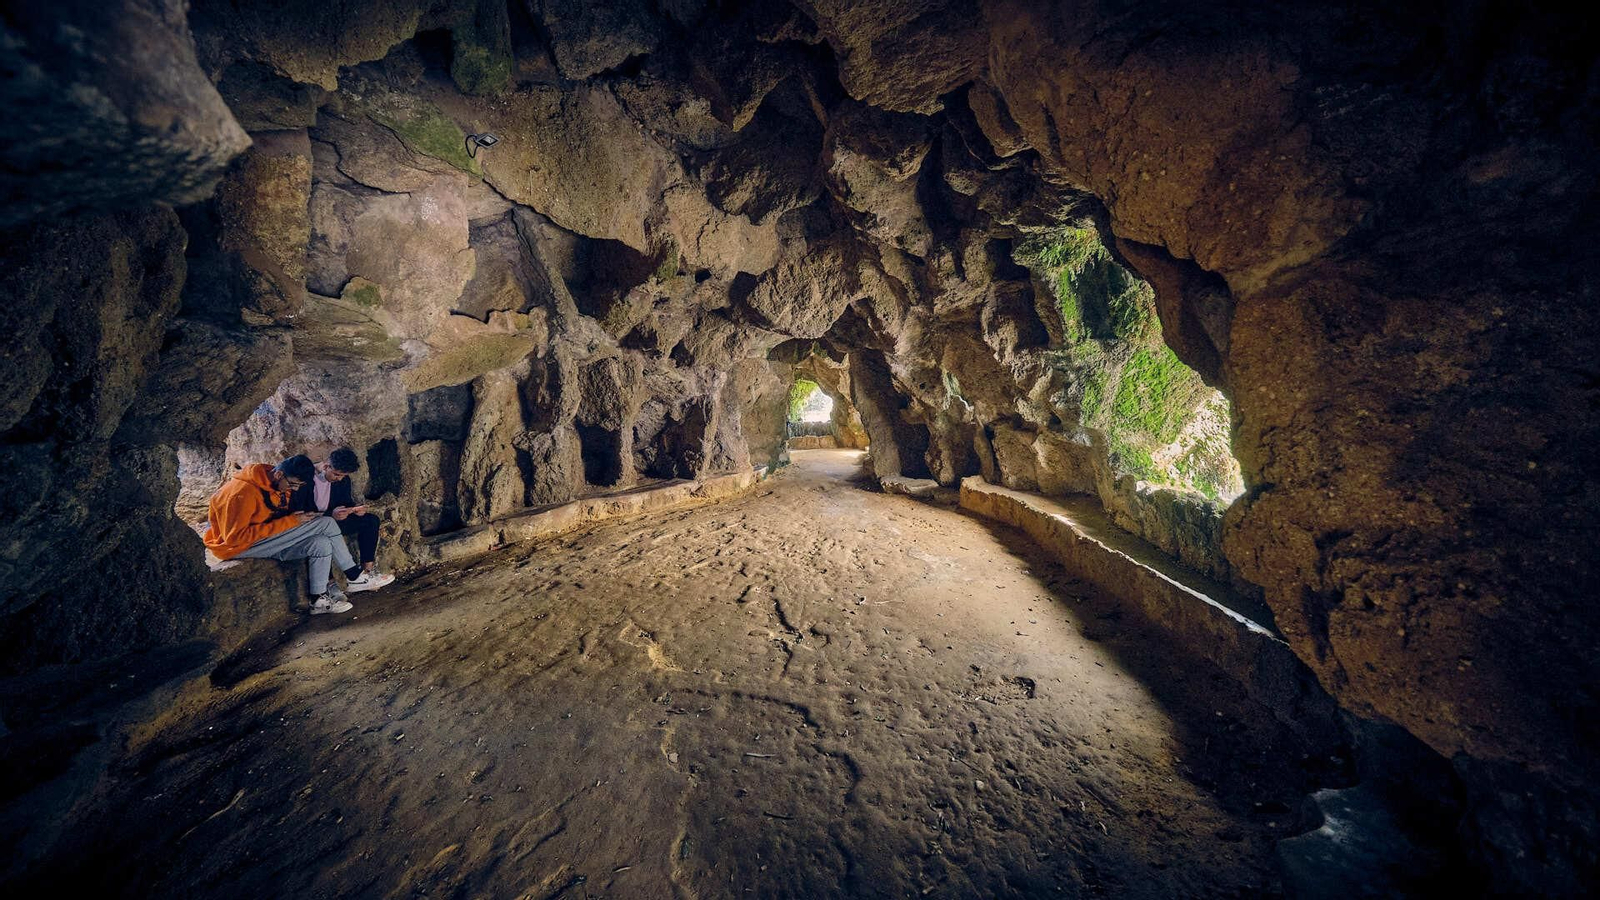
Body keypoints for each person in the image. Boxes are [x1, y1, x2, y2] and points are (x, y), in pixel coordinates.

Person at [202, 455, 361, 615]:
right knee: (326, 523)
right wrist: (290, 522)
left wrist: (298, 519)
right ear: (279, 475)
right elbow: (235, 538)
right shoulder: (241, 493)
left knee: (320, 543)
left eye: (299, 486)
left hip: (261, 541)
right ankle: (354, 575)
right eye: (293, 484)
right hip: (236, 547)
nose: (295, 489)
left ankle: (318, 600)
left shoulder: (275, 484)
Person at [290, 447, 394, 593]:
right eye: (337, 475)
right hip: (313, 523)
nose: (339, 479)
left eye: (343, 476)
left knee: (370, 520)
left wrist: (354, 510)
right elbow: (301, 512)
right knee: (321, 539)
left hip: (334, 520)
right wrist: (329, 514)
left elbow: (345, 502)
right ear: (326, 466)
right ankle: (331, 585)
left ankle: (367, 573)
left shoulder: (342, 479)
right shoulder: (305, 479)